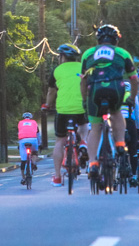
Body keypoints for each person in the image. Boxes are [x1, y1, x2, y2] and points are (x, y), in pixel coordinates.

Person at [81, 24, 139, 180]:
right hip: (115, 89)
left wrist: (84, 101)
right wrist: (131, 98)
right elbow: (134, 80)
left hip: (94, 91)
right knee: (116, 112)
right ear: (116, 40)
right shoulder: (122, 53)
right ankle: (120, 143)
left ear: (99, 40)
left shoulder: (88, 54)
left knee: (95, 128)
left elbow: (83, 81)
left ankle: (93, 163)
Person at [41, 43, 87, 187]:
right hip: (81, 108)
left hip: (63, 111)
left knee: (60, 141)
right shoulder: (84, 68)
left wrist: (47, 105)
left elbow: (51, 92)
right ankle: (84, 142)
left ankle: (57, 177)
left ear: (62, 57)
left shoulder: (57, 70)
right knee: (84, 126)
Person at [17, 112, 40, 184]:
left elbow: (19, 133)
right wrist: (39, 143)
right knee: (34, 152)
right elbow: (38, 133)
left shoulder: (20, 123)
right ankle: (34, 162)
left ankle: (23, 178)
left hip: (23, 140)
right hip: (33, 139)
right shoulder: (34, 122)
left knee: (23, 160)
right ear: (30, 117)